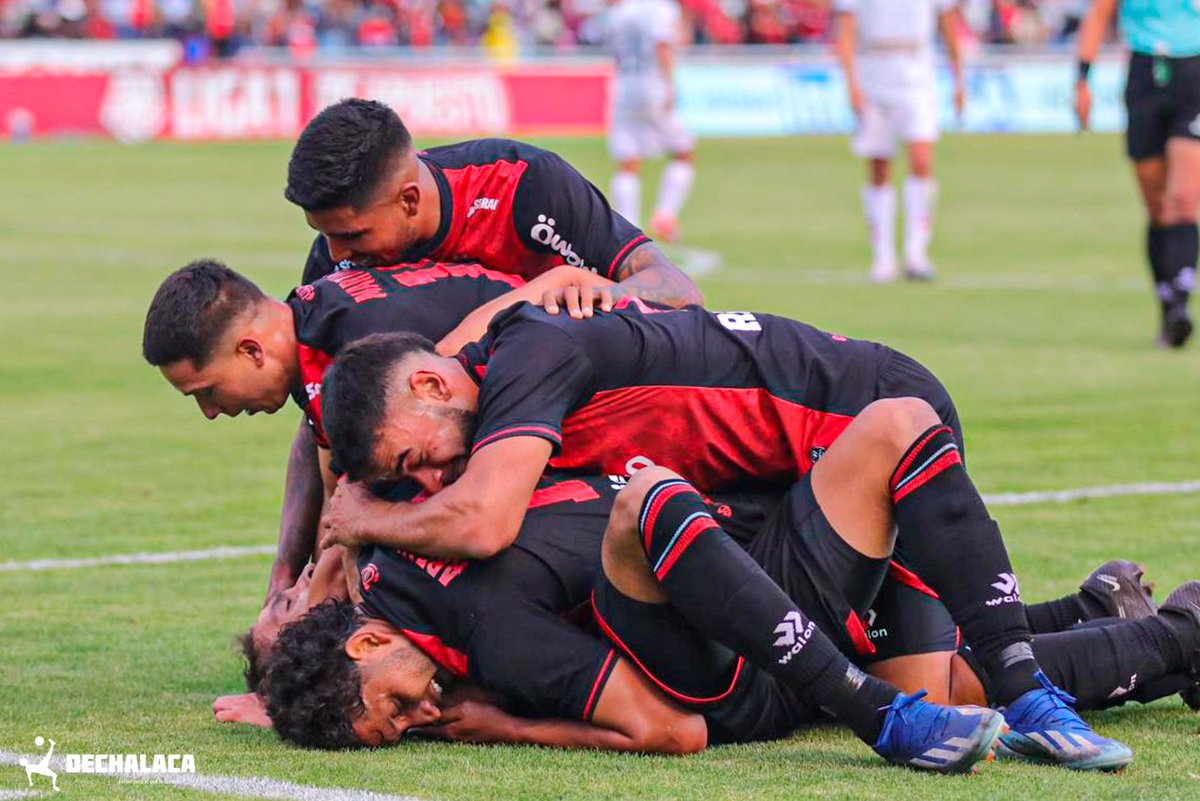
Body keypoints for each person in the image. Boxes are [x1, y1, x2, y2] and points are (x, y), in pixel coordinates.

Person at [314, 304, 1130, 767]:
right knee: (938, 683)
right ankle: (1132, 622)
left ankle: (1036, 684)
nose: (426, 483)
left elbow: (483, 523)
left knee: (945, 678)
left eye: (416, 460)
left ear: (430, 384)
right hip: (776, 505)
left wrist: (356, 523)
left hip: (849, 442)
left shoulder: (525, 367)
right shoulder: (500, 365)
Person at [141, 259, 613, 597]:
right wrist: (292, 581)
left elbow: (351, 524)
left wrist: (291, 659)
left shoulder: (358, 348)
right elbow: (338, 505)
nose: (209, 411)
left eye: (206, 391)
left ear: (251, 352)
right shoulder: (315, 327)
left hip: (611, 410)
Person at [287, 99, 703, 327]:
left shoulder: (524, 183)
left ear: (409, 201)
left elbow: (679, 292)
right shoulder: (336, 257)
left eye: (354, 235)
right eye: (325, 234)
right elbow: (321, 413)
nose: (337, 254)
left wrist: (601, 296)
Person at [1075, 0, 1200, 348]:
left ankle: (1180, 303)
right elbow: (1099, 14)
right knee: (1158, 206)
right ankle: (1167, 305)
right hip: (1145, 75)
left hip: (1194, 72)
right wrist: (1082, 80)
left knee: (1184, 201)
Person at [833, 0, 965, 282]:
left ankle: (916, 253)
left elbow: (950, 24)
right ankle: (883, 257)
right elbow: (845, 30)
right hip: (873, 69)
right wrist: (851, 84)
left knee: (921, 159)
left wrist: (958, 79)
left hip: (917, 68)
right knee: (879, 166)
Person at [604, 0, 697, 240]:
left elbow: (616, 55)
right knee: (684, 152)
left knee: (627, 162)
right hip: (652, 87)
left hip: (623, 89)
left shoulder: (617, 13)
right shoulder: (660, 9)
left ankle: (628, 229)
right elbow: (662, 46)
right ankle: (665, 216)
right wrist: (670, 85)